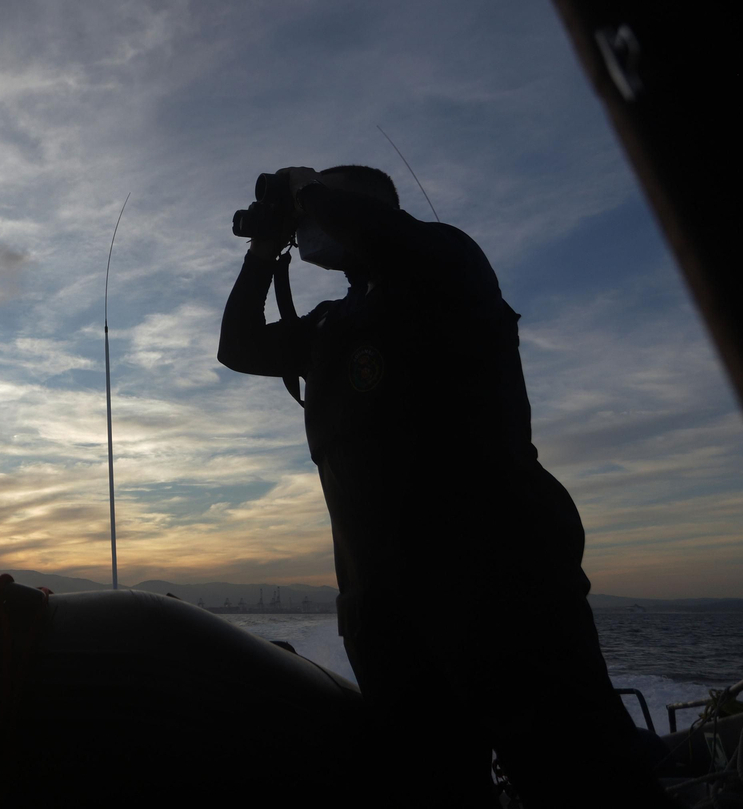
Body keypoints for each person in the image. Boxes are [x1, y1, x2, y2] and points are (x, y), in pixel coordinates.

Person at [217, 165, 673, 808]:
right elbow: (237, 347)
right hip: (384, 611)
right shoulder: (329, 326)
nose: (310, 227)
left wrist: (305, 189)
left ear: (356, 208)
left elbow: (389, 238)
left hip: (501, 585)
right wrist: (265, 253)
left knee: (582, 779)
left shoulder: (444, 265)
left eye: (319, 212)